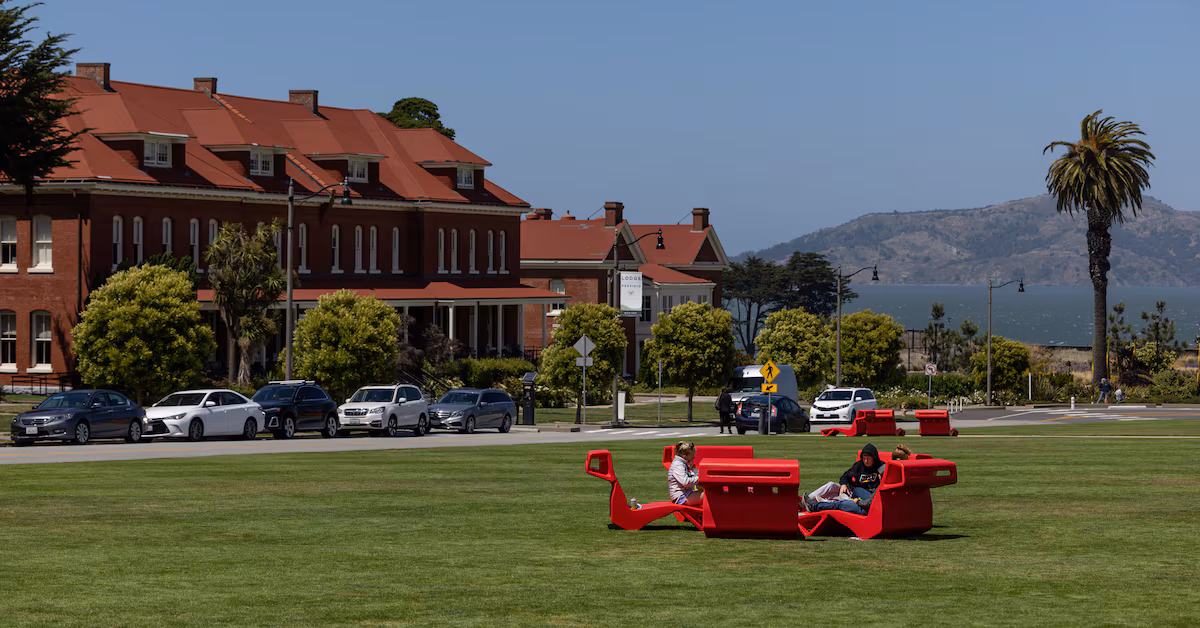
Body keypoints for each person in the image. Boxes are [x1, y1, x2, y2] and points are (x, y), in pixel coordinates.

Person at [800, 443, 885, 515]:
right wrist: (843, 484)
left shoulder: (881, 468)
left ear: (874, 457)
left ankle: (821, 503)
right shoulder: (859, 466)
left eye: (868, 458)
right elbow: (845, 476)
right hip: (852, 492)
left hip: (862, 499)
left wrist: (858, 501)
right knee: (831, 485)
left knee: (844, 502)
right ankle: (806, 500)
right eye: (864, 458)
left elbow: (870, 500)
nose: (866, 461)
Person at [668, 440, 704, 506]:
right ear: (685, 456)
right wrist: (701, 478)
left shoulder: (682, 463)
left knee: (708, 494)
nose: (694, 457)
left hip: (686, 493)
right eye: (692, 456)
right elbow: (685, 482)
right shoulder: (678, 465)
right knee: (708, 496)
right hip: (681, 497)